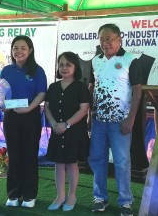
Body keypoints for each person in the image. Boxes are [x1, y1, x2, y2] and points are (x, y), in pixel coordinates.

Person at [88, 23, 142, 216]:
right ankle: (99, 198)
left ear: (119, 39)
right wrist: (89, 115)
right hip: (99, 121)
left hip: (120, 122)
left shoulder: (130, 60)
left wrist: (131, 119)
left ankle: (126, 202)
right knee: (97, 159)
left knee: (121, 162)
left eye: (109, 39)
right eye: (101, 39)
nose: (105, 43)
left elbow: (137, 91)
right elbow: (91, 88)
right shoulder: (95, 61)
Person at [0, 35, 47, 208]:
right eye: (15, 48)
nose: (18, 51)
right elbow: (2, 92)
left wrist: (28, 108)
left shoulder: (37, 70)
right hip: (11, 117)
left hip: (31, 117)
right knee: (14, 155)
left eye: (23, 48)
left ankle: (29, 195)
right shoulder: (7, 70)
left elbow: (42, 94)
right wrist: (2, 104)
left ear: (30, 50)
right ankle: (13, 194)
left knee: (29, 156)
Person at [44, 52, 90, 212]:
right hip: (57, 130)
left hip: (74, 131)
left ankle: (72, 196)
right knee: (59, 163)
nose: (64, 68)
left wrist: (66, 124)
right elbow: (47, 107)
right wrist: (54, 123)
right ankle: (60, 196)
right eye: (61, 64)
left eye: (68, 64)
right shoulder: (53, 87)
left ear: (75, 67)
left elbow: (84, 110)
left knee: (71, 163)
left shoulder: (81, 87)